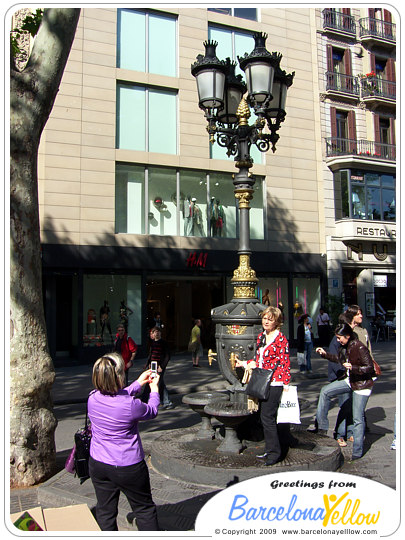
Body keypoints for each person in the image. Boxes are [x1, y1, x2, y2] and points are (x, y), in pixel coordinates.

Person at [87, 352, 160, 531]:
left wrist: (138, 383)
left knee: (105, 510)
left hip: (98, 464)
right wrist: (155, 389)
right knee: (144, 509)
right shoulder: (131, 405)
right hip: (128, 466)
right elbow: (151, 411)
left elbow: (116, 395)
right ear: (119, 376)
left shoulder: (92, 398)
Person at [236, 306, 291, 466]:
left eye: (270, 319)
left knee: (268, 417)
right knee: (265, 416)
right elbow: (258, 359)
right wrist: (244, 363)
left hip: (275, 381)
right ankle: (270, 449)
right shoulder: (261, 337)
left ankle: (275, 453)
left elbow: (285, 362)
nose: (266, 321)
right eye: (265, 318)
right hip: (262, 380)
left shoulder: (281, 339)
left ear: (277, 322)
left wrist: (286, 383)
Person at [312, 323, 376, 460]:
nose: (338, 340)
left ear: (347, 336)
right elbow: (339, 359)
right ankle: (322, 428)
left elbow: (369, 367)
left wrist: (353, 368)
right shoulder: (346, 346)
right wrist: (325, 354)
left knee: (357, 418)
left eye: (340, 338)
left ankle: (357, 452)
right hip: (350, 380)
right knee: (325, 391)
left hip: (361, 385)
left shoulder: (359, 347)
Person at [143, 327, 173, 409]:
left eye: (158, 332)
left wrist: (162, 366)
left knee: (157, 383)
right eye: (155, 332)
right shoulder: (152, 343)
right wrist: (148, 364)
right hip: (153, 365)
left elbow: (167, 356)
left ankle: (163, 401)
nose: (157, 333)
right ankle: (166, 402)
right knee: (159, 382)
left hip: (159, 365)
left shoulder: (163, 343)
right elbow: (151, 354)